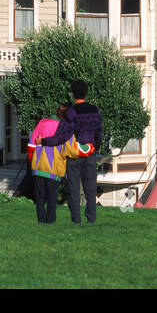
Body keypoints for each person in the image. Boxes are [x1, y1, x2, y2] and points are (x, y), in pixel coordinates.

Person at [39, 79, 103, 224]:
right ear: (86, 92)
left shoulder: (72, 112)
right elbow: (99, 132)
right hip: (91, 153)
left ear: (73, 93)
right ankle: (91, 219)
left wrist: (43, 141)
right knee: (90, 189)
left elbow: (60, 137)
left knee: (73, 189)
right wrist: (95, 147)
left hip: (75, 155)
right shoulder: (96, 111)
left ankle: (76, 220)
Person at [28, 104, 78, 223]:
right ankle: (50, 221)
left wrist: (33, 161)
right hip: (54, 168)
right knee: (52, 197)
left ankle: (41, 221)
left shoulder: (42, 122)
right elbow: (72, 151)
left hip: (38, 166)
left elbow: (31, 144)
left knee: (39, 198)